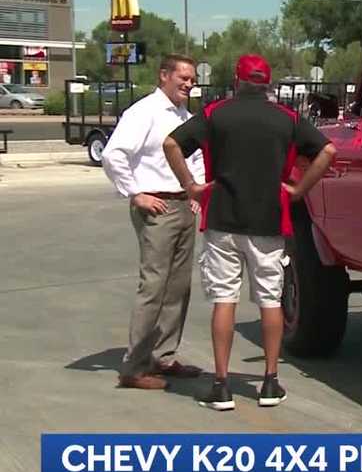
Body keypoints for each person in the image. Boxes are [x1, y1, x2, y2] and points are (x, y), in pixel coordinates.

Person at [164, 54, 336, 411]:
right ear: (267, 82)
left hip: (223, 219)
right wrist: (300, 189)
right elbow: (327, 150)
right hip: (268, 220)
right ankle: (270, 382)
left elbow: (171, 144)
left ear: (237, 80)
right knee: (270, 300)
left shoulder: (215, 113)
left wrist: (191, 186)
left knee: (224, 299)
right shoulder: (287, 118)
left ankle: (221, 386)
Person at [100, 54, 206, 390]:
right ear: (164, 76)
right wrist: (135, 193)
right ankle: (134, 367)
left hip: (182, 204)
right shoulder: (143, 112)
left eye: (192, 79)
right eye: (183, 78)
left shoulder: (185, 116)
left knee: (178, 286)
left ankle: (163, 356)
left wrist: (195, 191)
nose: (189, 84)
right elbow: (113, 154)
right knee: (154, 286)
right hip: (156, 206)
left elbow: (196, 158)